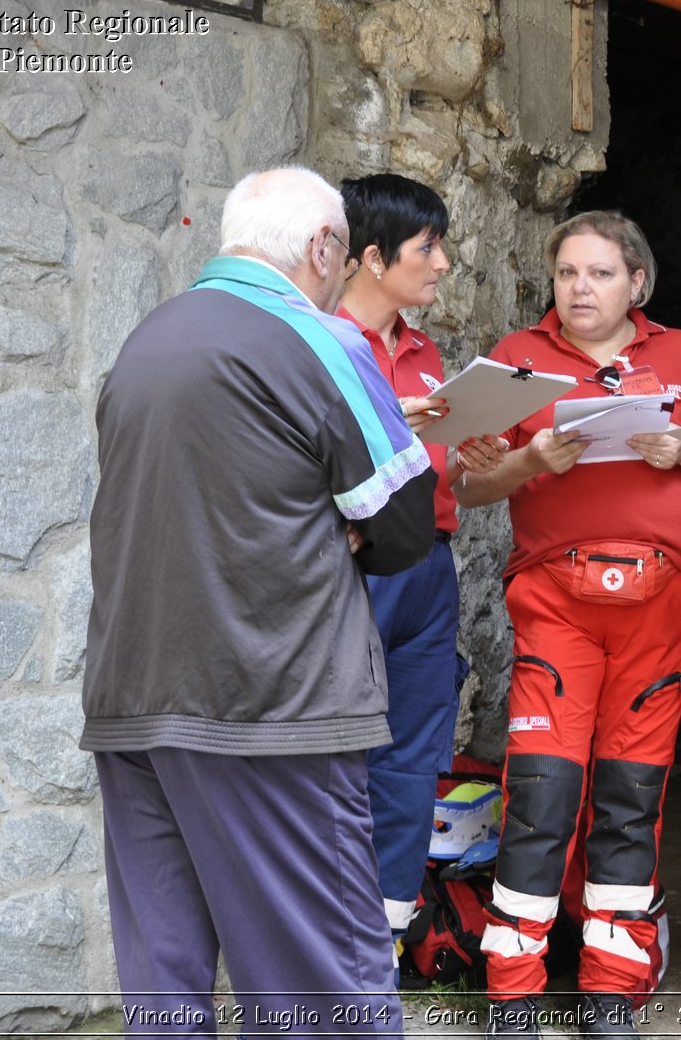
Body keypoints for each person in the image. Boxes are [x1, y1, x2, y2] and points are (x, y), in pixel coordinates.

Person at [82, 165, 435, 1036]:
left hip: (132, 697)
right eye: (343, 255)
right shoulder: (321, 340)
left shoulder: (146, 340)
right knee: (323, 984)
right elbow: (403, 526)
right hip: (271, 702)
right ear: (322, 247)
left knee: (164, 983)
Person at [454, 211, 681, 1039]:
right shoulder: (516, 362)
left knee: (631, 793)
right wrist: (527, 462)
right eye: (566, 274)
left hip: (660, 604)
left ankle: (611, 988)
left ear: (637, 284)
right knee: (542, 791)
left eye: (598, 273)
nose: (579, 289)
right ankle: (511, 990)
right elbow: (467, 486)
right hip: (556, 600)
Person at [335, 173, 508, 943]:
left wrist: (471, 461)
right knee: (337, 754)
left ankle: (388, 937)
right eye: (427, 247)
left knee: (413, 758)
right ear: (373, 257)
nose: (442, 263)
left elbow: (447, 488)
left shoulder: (428, 348)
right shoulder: (322, 342)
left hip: (431, 569)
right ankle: (323, 939)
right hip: (355, 569)